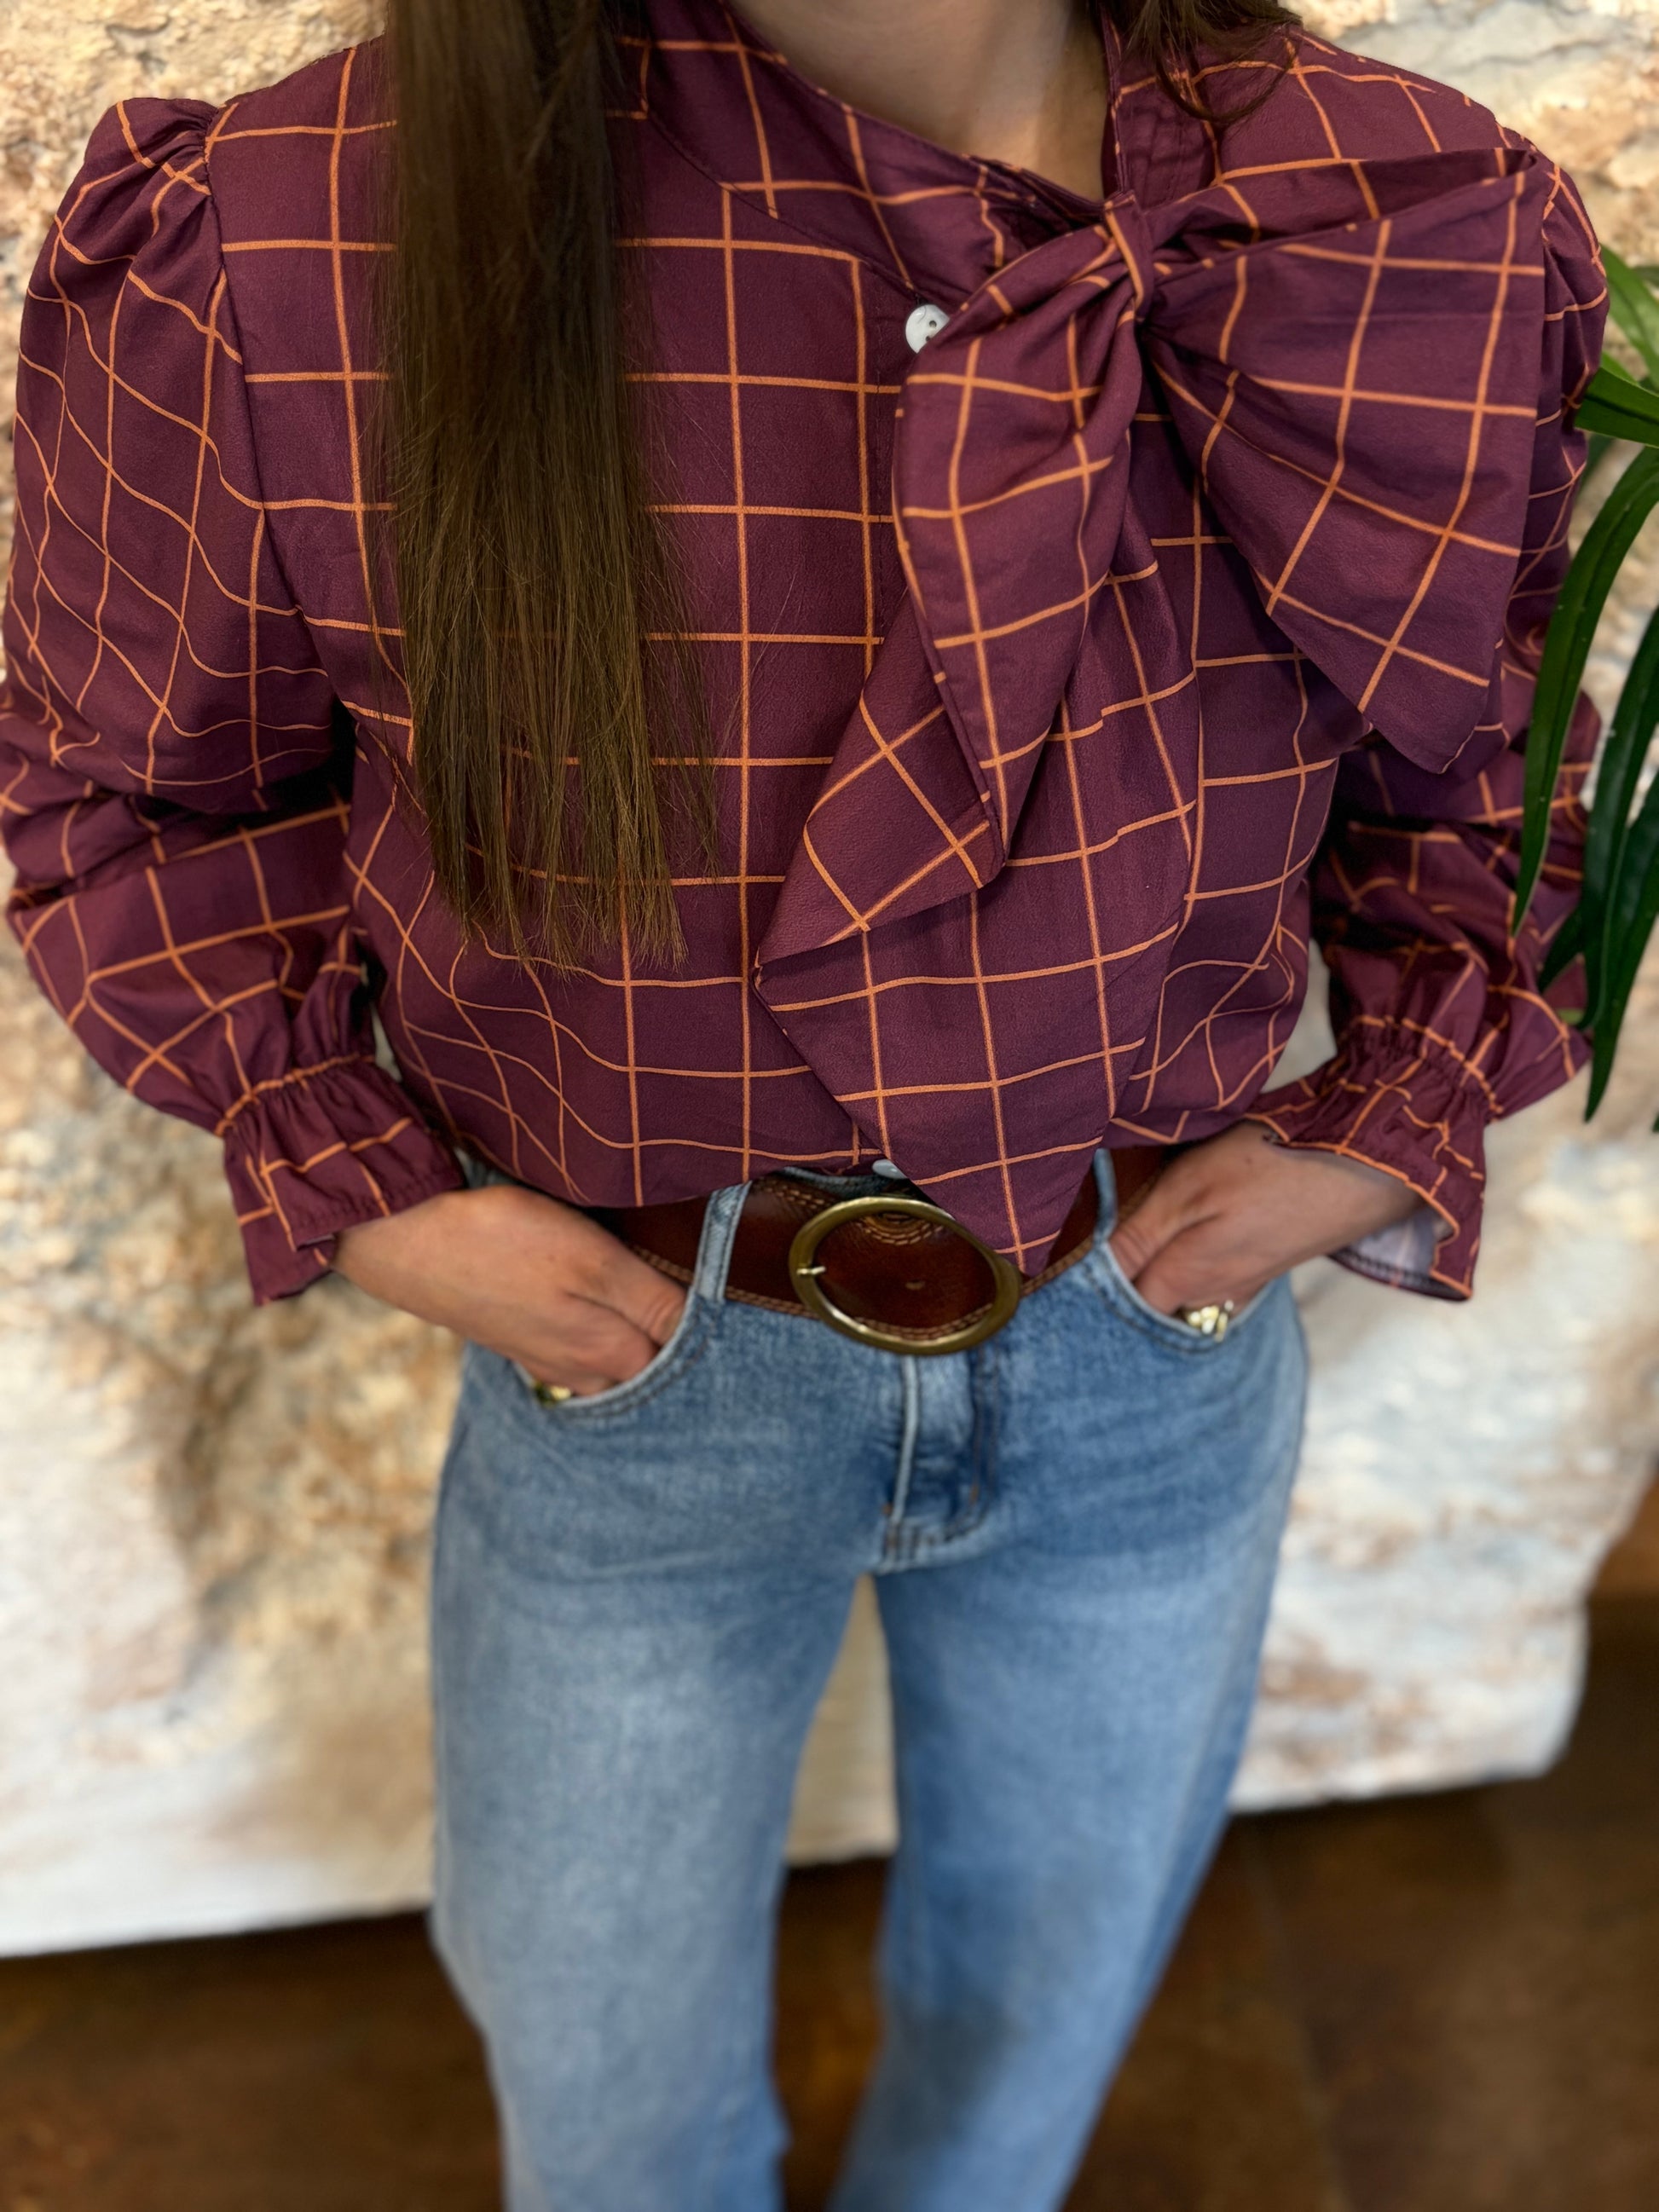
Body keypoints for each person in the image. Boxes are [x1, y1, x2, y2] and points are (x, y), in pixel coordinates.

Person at [1, 0, 1603, 2203]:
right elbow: (133, 796)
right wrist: (374, 1189)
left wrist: (1385, 1114)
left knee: (1049, 1993)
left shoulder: (1383, 212)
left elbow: (1489, 748)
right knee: (598, 2059)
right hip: (646, 1363)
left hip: (1149, 1339)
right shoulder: (296, 234)